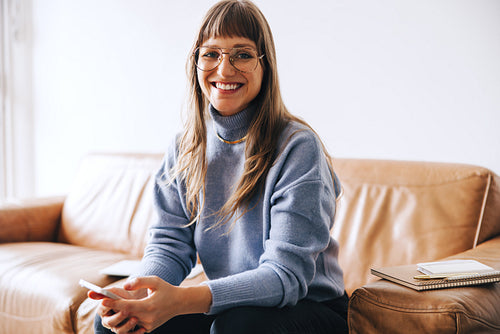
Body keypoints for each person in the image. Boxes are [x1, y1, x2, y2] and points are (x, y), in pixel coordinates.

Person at [91, 1, 348, 333]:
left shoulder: (297, 147)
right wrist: (140, 293)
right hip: (230, 305)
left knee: (236, 327)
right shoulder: (185, 146)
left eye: (241, 54)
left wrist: (181, 301)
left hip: (310, 307)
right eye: (211, 54)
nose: (224, 71)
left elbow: (285, 276)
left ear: (264, 65)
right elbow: (170, 244)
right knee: (113, 324)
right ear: (195, 63)